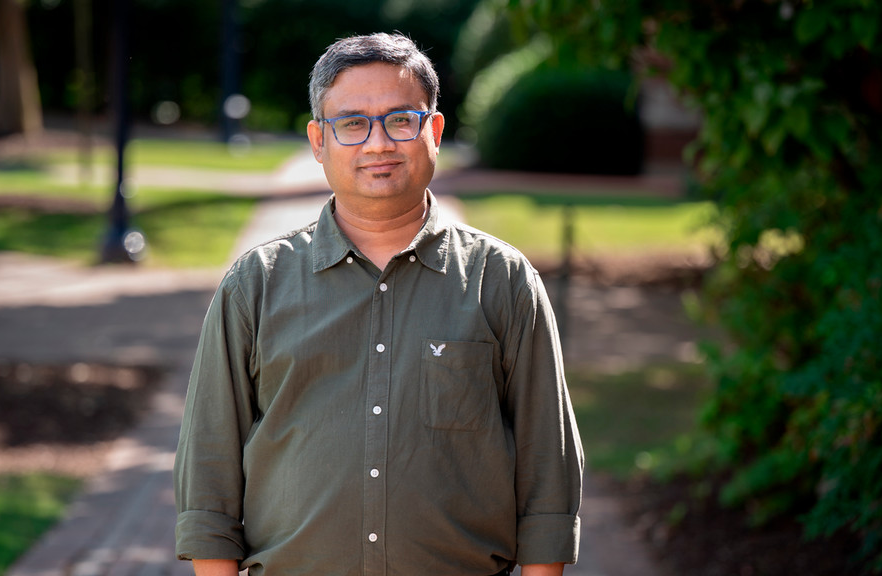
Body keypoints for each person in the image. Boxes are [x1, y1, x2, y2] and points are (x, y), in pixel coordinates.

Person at [174, 32, 583, 576]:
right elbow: (209, 477)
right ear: (318, 140)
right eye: (352, 123)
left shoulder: (502, 281)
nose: (378, 144)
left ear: (434, 131)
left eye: (400, 120)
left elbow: (548, 471)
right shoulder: (255, 285)